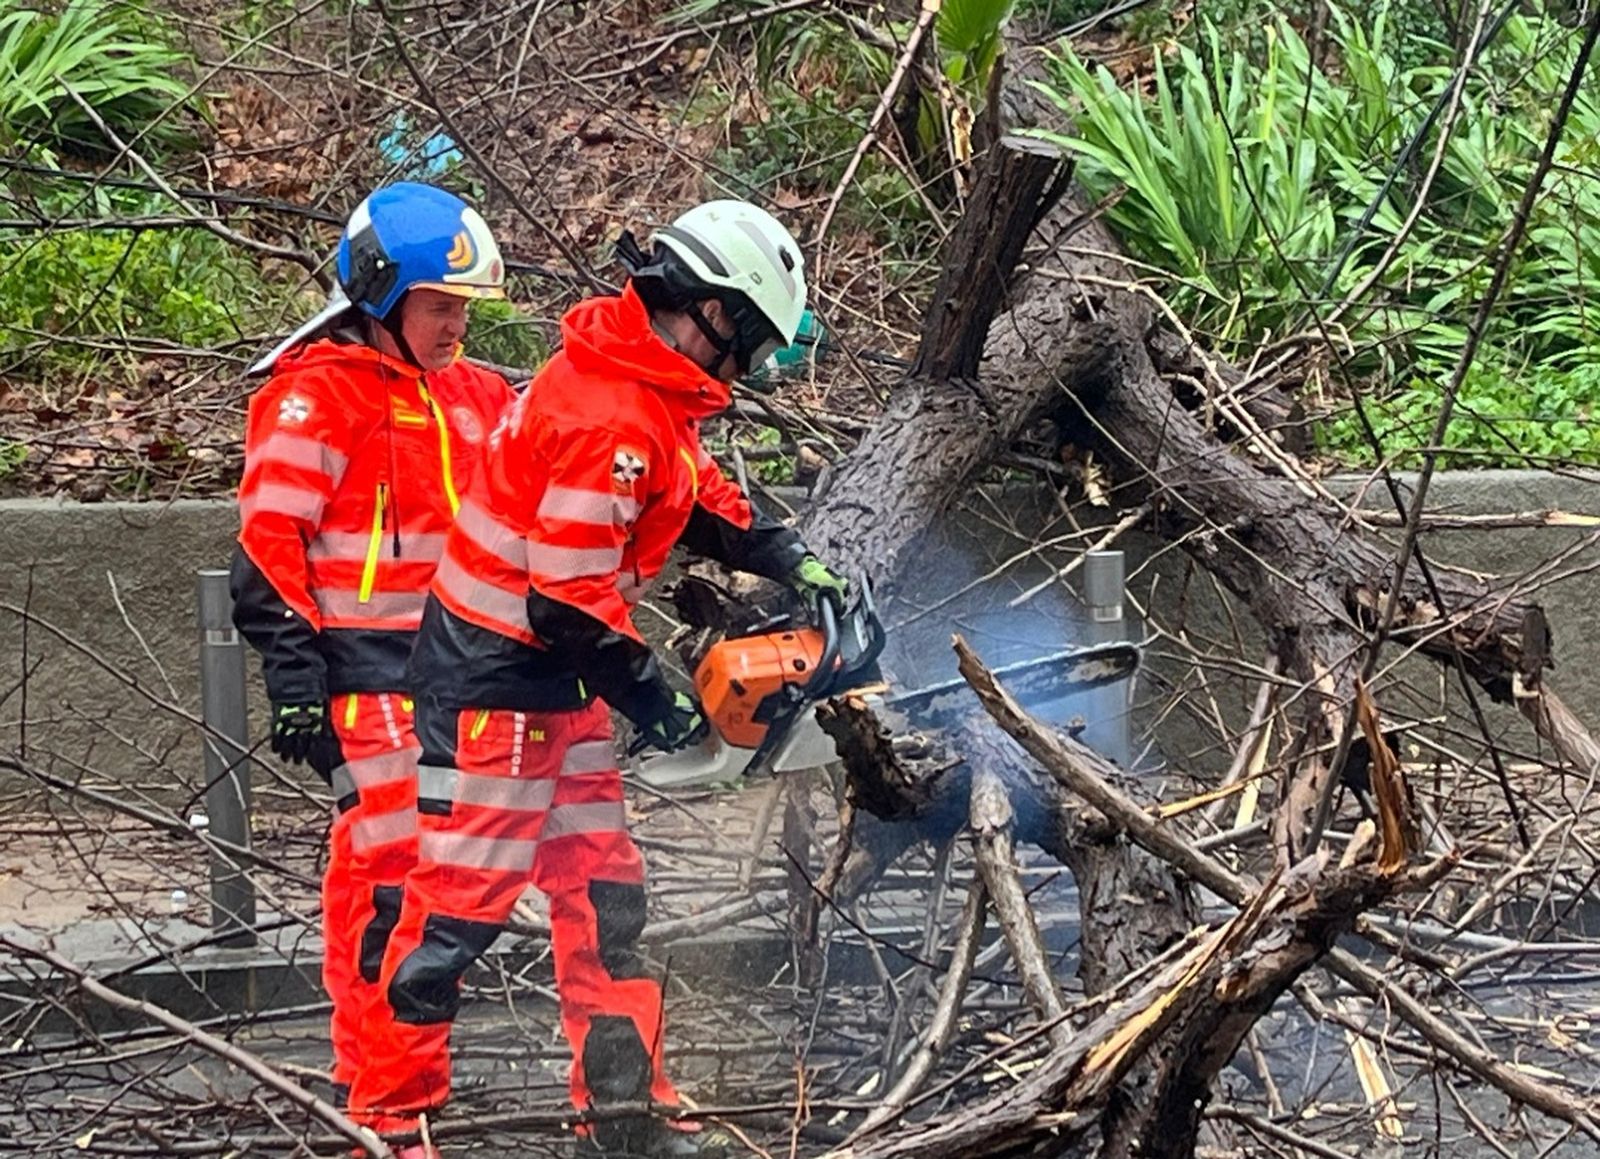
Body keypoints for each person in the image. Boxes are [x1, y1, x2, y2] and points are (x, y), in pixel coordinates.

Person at [349, 199, 850, 1155]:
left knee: (605, 897)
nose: (753, 366)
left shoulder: (639, 379)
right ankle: (388, 1124)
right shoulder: (606, 416)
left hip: (557, 686)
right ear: (714, 313)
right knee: (452, 919)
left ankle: (625, 1113)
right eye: (752, 342)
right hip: (498, 686)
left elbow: (685, 484)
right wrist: (657, 700)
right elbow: (569, 598)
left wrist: (781, 549)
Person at [230, 181, 516, 1159]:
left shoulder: (479, 395)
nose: (456, 326)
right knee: (400, 874)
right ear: (383, 296)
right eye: (441, 306)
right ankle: (389, 1114)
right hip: (364, 672)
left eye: (464, 308)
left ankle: (392, 1098)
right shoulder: (319, 393)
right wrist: (297, 679)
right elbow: (268, 545)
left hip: (462, 676)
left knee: (451, 878)